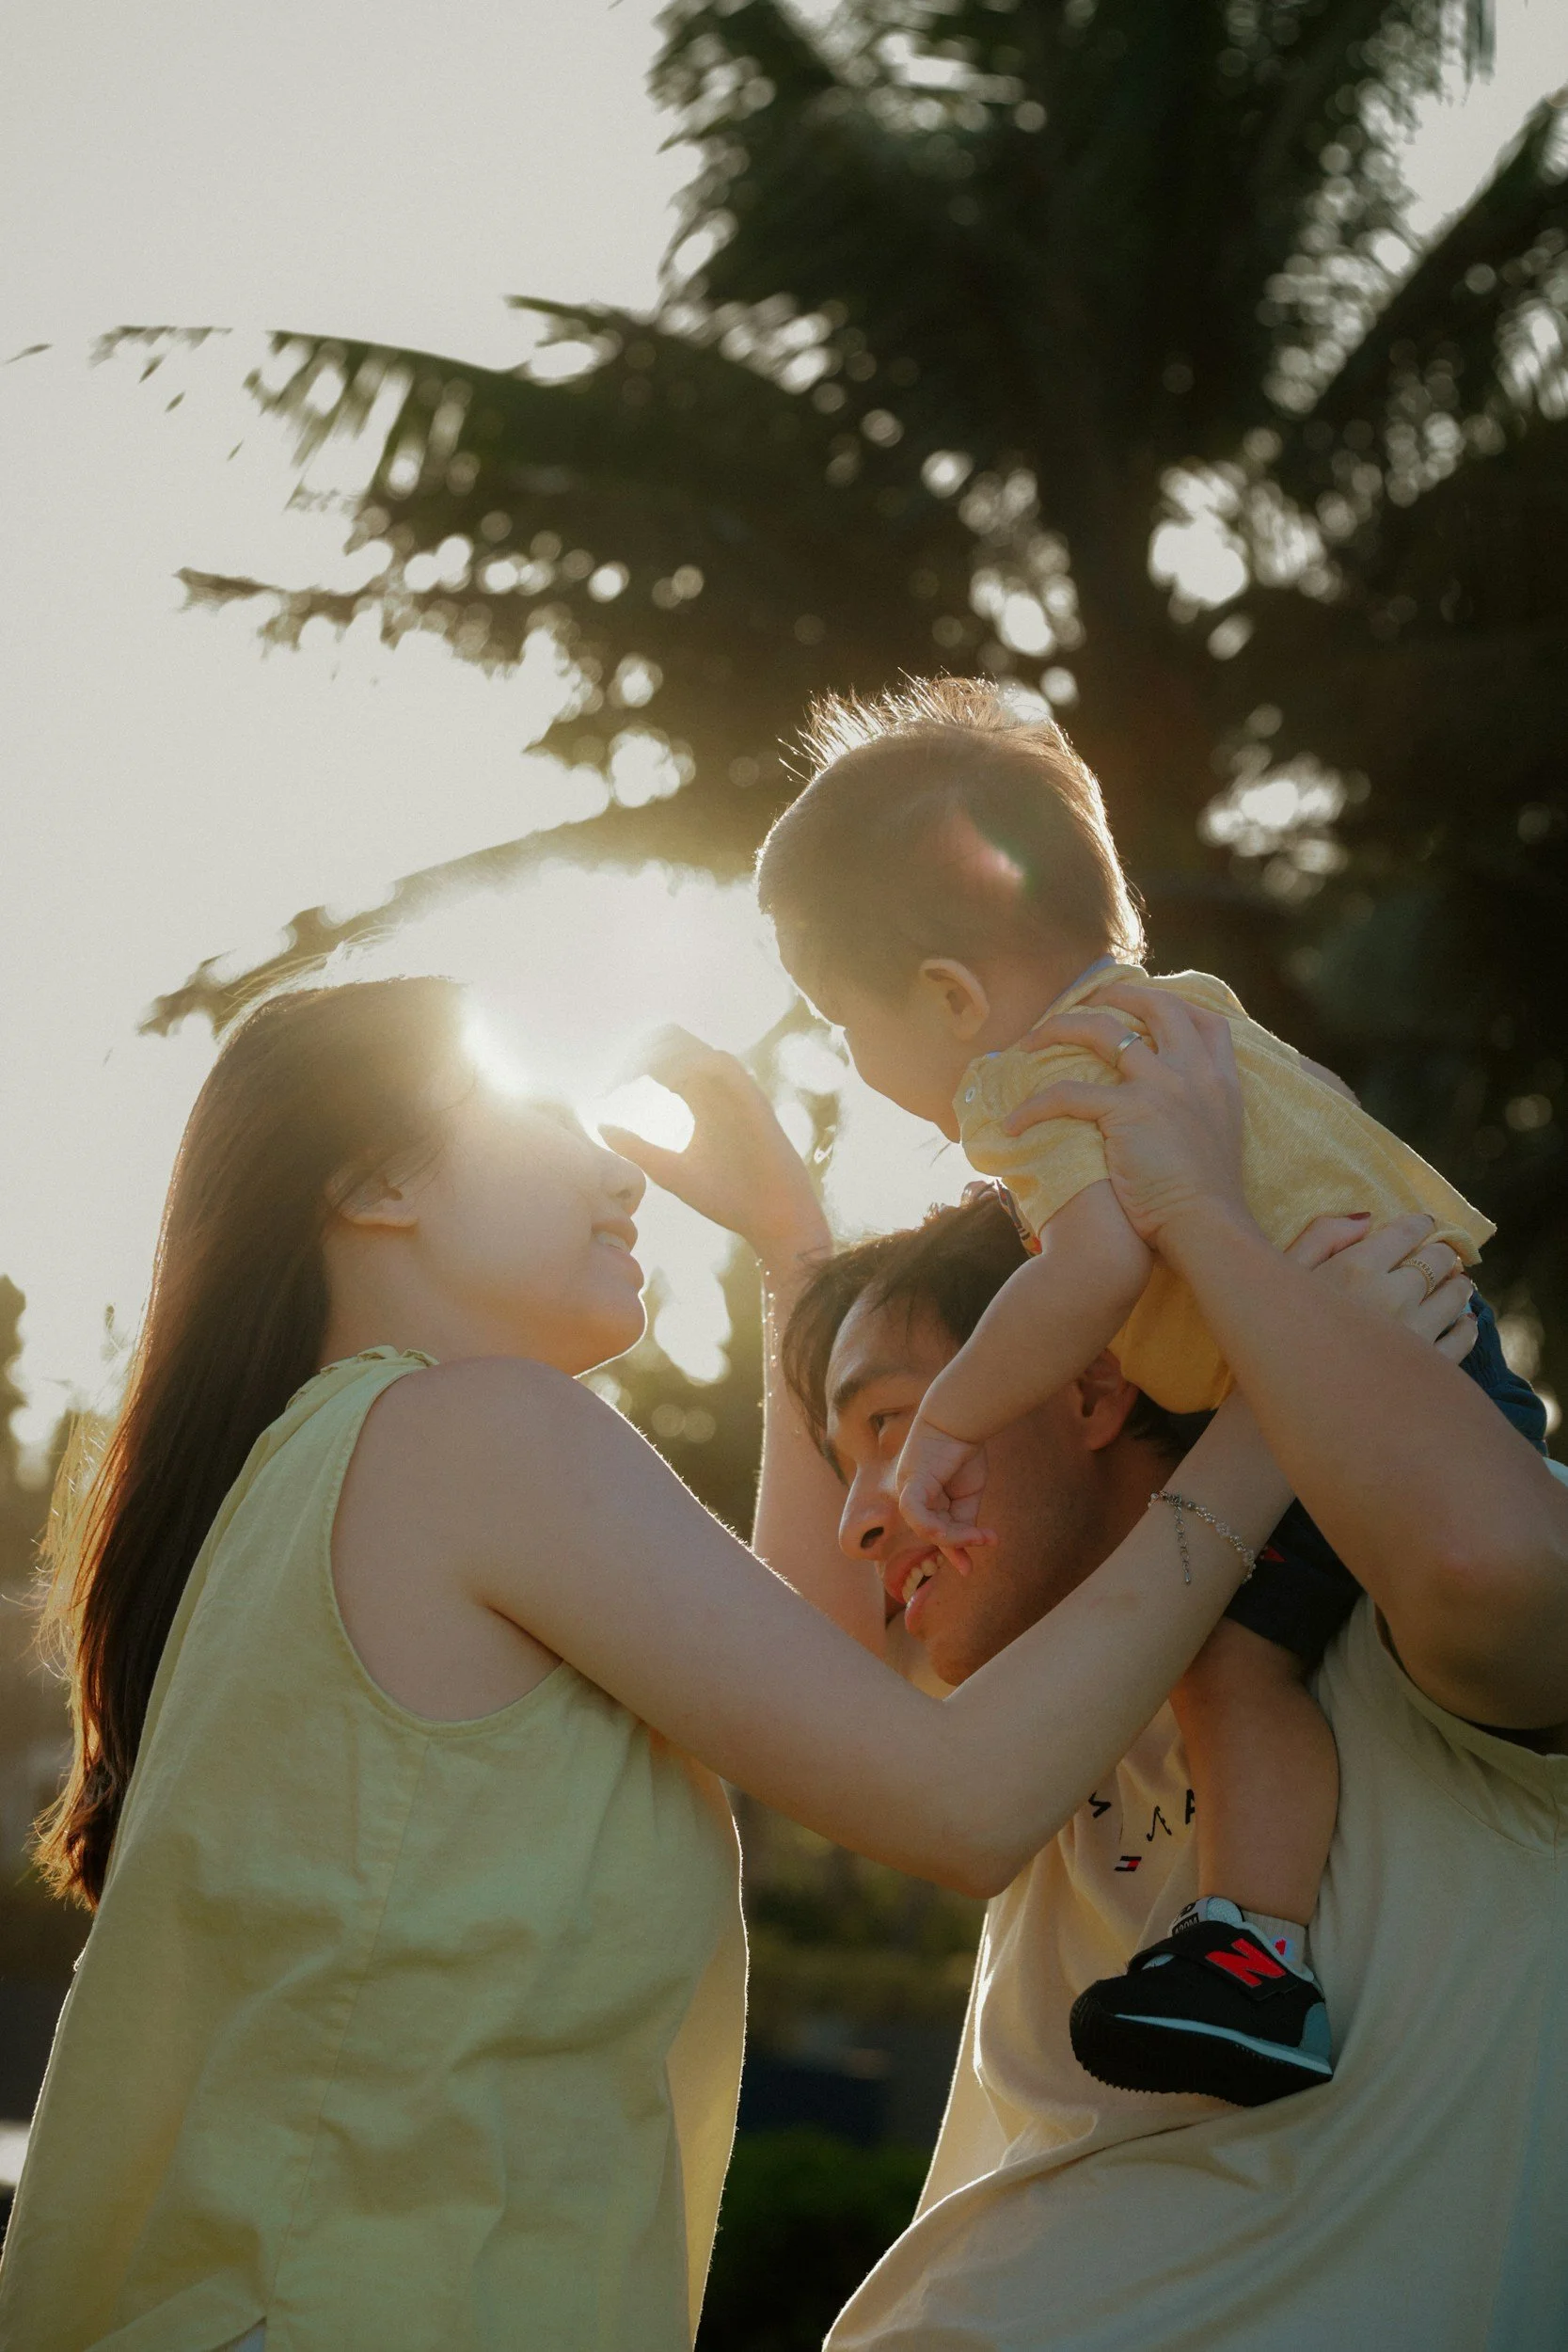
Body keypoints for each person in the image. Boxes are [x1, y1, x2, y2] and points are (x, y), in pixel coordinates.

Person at [2, 976, 1357, 2352]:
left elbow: (815, 1682)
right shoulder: (472, 1432)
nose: (618, 1173)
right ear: (376, 1180)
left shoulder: (320, 1475)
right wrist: (1275, 1409)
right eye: (541, 1114)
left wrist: (791, 1247)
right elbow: (957, 1802)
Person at [616, 999, 1568, 2351]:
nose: (862, 1518)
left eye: (896, 1425)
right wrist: (791, 1248)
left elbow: (1504, 1578)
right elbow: (808, 1685)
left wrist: (1240, 1270)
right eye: (851, 1460)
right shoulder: (1038, 1724)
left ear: (1086, 1386)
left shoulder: (1398, 1620)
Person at [752, 675, 1547, 2104]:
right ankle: (1247, 1946)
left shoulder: (1047, 1091)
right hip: (1414, 1360)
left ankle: (1250, 1953)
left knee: (1235, 1668)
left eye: (836, 1021)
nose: (848, 1060)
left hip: (1385, 1402)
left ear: (947, 998)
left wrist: (953, 1417)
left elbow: (1090, 1270)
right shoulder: (1185, 1018)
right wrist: (782, 1245)